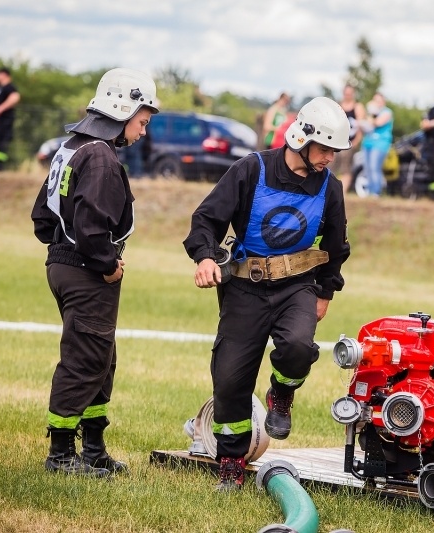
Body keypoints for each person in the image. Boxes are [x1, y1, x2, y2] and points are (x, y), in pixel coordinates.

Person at [183, 96, 351, 491]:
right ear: (302, 140)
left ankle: (282, 392)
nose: (330, 157)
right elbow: (206, 219)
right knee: (229, 379)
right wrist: (205, 257)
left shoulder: (331, 188)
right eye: (325, 148)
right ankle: (230, 459)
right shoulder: (250, 169)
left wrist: (325, 292)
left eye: (335, 151)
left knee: (297, 346)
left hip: (298, 287)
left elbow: (337, 244)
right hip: (245, 288)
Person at [30, 68, 159, 476]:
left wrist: (67, 254)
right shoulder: (101, 156)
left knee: (102, 357)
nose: (143, 132)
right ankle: (62, 455)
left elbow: (41, 219)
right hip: (88, 271)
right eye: (142, 122)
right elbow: (90, 227)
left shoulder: (70, 148)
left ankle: (95, 448)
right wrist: (105, 264)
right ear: (122, 111)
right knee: (85, 360)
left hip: (63, 264)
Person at [332, 84, 367, 194]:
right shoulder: (338, 106)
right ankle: (330, 192)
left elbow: (361, 127)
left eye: (349, 93)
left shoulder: (358, 107)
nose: (347, 95)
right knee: (331, 167)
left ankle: (341, 193)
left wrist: (356, 142)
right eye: (346, 93)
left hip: (349, 143)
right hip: (335, 143)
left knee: (346, 169)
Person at [361, 92, 393, 197]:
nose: (377, 103)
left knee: (375, 167)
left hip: (380, 144)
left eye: (379, 100)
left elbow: (378, 122)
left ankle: (376, 192)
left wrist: (369, 117)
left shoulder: (387, 112)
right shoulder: (371, 113)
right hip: (368, 143)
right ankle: (369, 191)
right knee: (367, 168)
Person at [0, 67, 20, 170]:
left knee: (1, 143)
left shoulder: (9, 87)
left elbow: (15, 97)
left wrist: (1, 108)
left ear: (4, 75)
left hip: (3, 121)